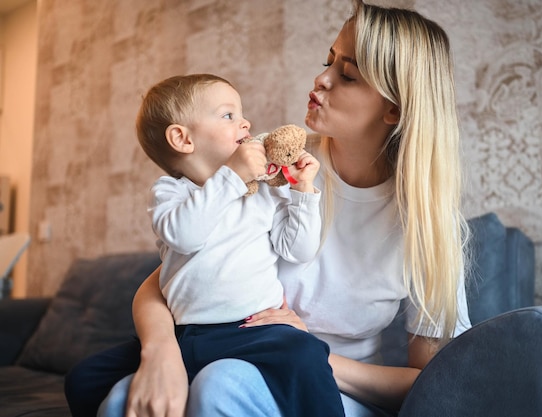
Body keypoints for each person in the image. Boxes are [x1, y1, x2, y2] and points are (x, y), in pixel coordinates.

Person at [65, 1, 472, 416]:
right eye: (328, 61)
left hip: (330, 390)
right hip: (224, 351)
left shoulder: (428, 228)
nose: (322, 78)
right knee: (119, 400)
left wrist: (308, 353)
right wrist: (160, 352)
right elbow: (173, 272)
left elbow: (435, 382)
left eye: (347, 75)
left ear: (394, 109)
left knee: (222, 384)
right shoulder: (266, 162)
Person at [64, 73, 345, 417]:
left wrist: (303, 191)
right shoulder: (170, 193)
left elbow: (297, 250)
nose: (246, 123)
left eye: (241, 114)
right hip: (185, 335)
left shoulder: (263, 192)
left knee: (306, 354)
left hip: (250, 330)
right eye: (228, 115)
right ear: (182, 139)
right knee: (83, 378)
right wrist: (231, 177)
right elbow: (186, 235)